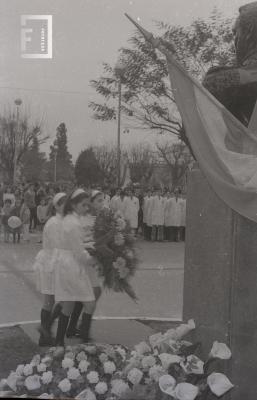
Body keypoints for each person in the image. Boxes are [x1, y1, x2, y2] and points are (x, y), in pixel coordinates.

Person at [53, 189, 96, 346]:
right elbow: (79, 254)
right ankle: (84, 340)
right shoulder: (75, 223)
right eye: (84, 205)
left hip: (65, 263)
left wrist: (89, 244)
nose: (87, 208)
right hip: (72, 265)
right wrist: (95, 260)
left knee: (69, 303)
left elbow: (73, 244)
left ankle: (59, 341)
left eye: (87, 205)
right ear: (73, 204)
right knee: (89, 302)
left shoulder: (68, 219)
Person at [66, 189, 104, 339]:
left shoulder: (99, 217)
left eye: (103, 200)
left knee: (87, 293)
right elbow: (80, 240)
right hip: (84, 258)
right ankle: (82, 329)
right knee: (91, 293)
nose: (102, 204)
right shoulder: (81, 218)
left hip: (91, 257)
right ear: (91, 202)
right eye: (99, 201)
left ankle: (75, 327)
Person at [34, 192, 67, 346]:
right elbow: (58, 245)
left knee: (53, 300)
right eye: (64, 203)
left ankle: (44, 333)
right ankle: (45, 333)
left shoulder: (61, 220)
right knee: (56, 300)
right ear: (57, 206)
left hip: (55, 262)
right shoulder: (54, 222)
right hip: (52, 263)